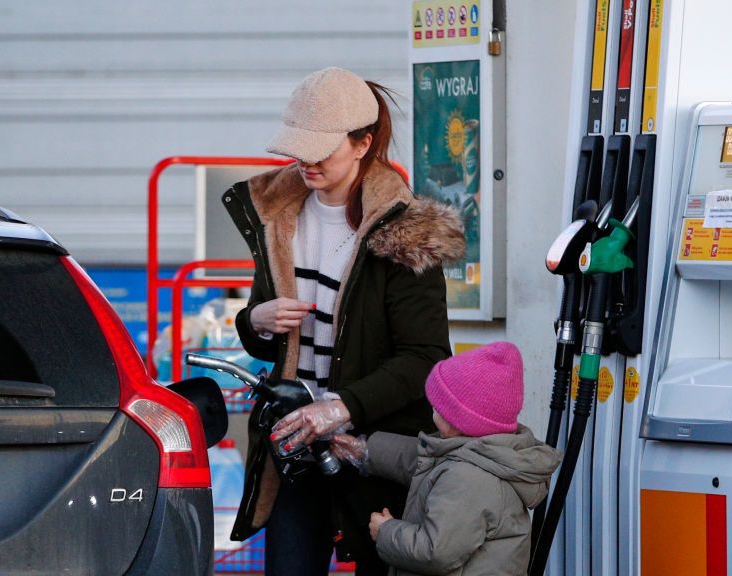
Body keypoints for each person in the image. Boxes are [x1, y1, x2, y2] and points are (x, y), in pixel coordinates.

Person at [222, 67, 465, 576]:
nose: (306, 161)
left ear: (363, 144)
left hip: (375, 449)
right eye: (298, 147)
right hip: (293, 439)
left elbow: (426, 358)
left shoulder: (405, 232)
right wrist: (256, 321)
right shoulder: (278, 217)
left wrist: (339, 409)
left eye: (321, 148)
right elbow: (268, 345)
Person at [331, 342, 562, 576]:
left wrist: (386, 532)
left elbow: (434, 552)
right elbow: (421, 458)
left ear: (459, 420)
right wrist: (364, 449)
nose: (432, 410)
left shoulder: (470, 479)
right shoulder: (481, 453)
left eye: (438, 406)